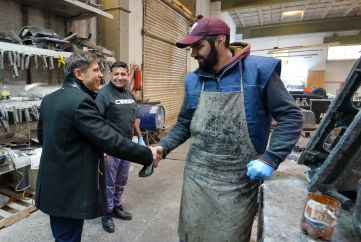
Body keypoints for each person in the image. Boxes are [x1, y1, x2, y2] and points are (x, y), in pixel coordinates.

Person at [152, 16, 303, 242]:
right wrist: (163, 146)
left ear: (220, 41)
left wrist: (270, 158)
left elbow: (291, 116)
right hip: (197, 178)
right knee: (191, 234)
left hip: (238, 182)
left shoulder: (259, 71)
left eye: (198, 46)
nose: (193, 53)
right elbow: (184, 123)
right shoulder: (194, 80)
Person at [35, 51, 155, 242]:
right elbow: (109, 140)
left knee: (62, 234)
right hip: (69, 190)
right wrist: (146, 155)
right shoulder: (82, 102)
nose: (101, 75)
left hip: (52, 186)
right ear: (79, 74)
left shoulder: (50, 99)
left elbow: (43, 137)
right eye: (96, 70)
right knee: (68, 237)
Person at [95, 61, 147, 233]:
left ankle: (116, 206)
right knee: (108, 183)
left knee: (122, 180)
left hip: (127, 146)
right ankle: (106, 212)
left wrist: (139, 138)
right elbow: (97, 122)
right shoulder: (103, 94)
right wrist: (101, 147)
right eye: (116, 74)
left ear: (127, 76)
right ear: (111, 75)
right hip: (110, 147)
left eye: (123, 74)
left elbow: (133, 119)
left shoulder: (129, 94)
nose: (119, 77)